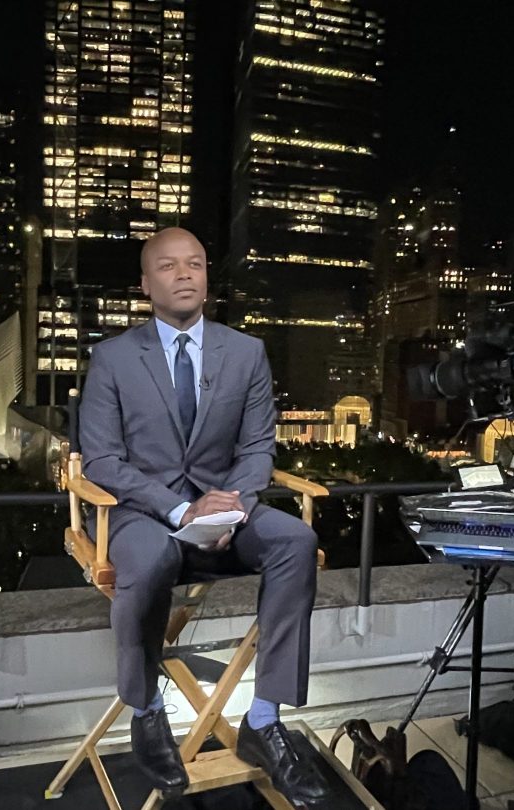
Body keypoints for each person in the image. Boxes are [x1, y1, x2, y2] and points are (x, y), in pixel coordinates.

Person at [79, 227, 329, 805]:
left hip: (227, 505)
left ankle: (263, 721)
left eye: (195, 262)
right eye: (169, 266)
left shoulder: (246, 352)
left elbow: (257, 449)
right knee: (151, 555)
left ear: (208, 276)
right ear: (145, 285)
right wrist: (179, 508)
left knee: (295, 539)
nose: (185, 273)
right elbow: (103, 461)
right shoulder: (113, 358)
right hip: (140, 510)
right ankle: (145, 710)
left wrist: (232, 510)